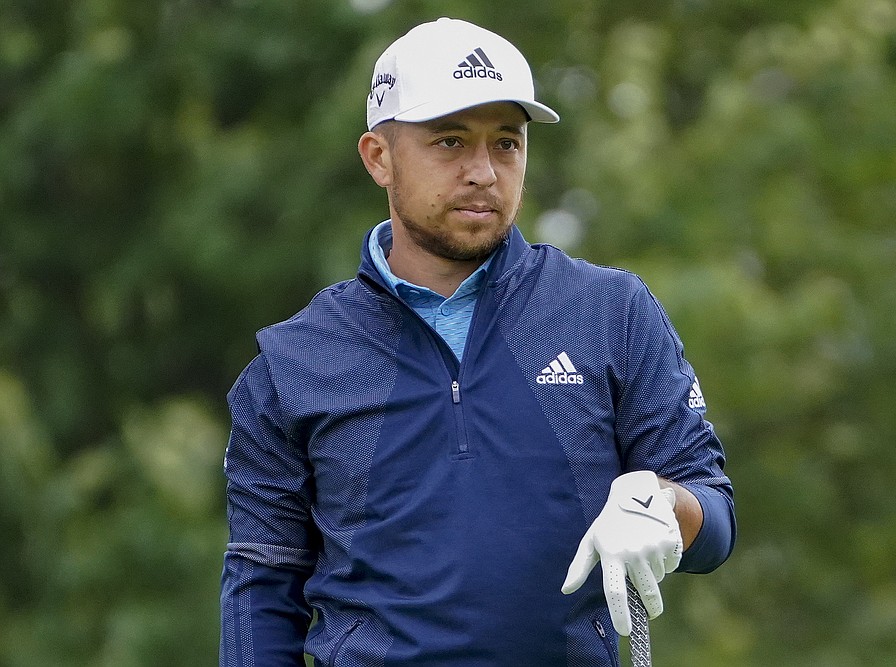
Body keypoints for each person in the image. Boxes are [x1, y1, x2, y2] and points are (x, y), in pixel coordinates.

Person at [220, 17, 735, 667]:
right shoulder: (292, 363)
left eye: (507, 144)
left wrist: (667, 505)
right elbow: (261, 591)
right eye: (450, 142)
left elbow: (714, 518)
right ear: (379, 156)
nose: (484, 172)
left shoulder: (612, 313)